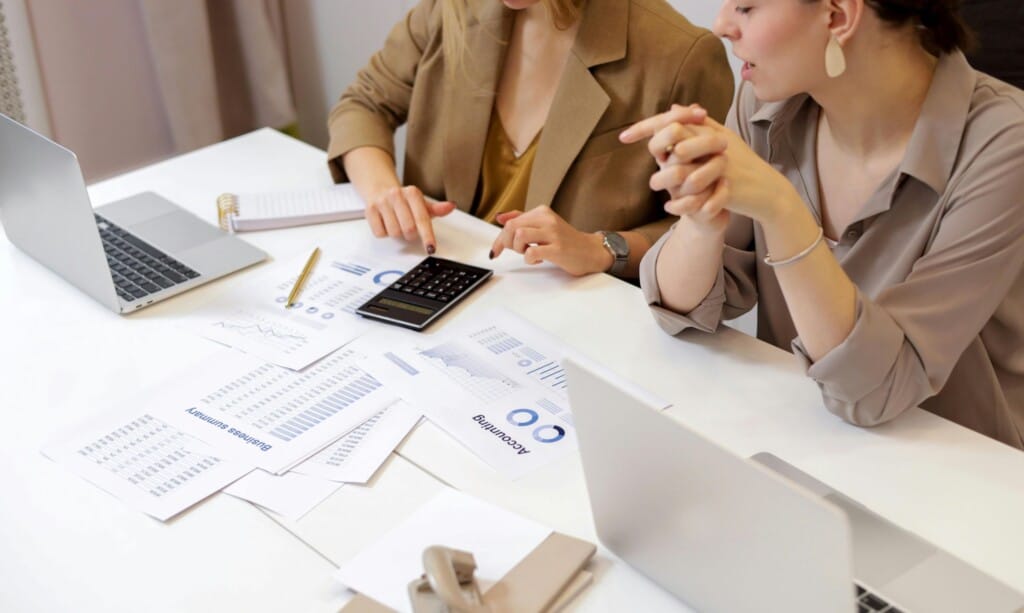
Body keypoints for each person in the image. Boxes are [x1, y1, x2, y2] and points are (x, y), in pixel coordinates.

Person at [621, 0, 1024, 448]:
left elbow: (878, 391)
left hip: (961, 474)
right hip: (806, 441)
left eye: (747, 7)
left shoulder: (1005, 147)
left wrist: (781, 208)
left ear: (837, 15)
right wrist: (701, 218)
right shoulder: (767, 104)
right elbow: (682, 312)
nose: (720, 26)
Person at [327, 0, 734, 279]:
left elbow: (713, 228)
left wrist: (603, 248)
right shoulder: (449, 9)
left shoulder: (680, 54)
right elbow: (363, 105)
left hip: (574, 333)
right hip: (433, 287)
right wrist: (384, 192)